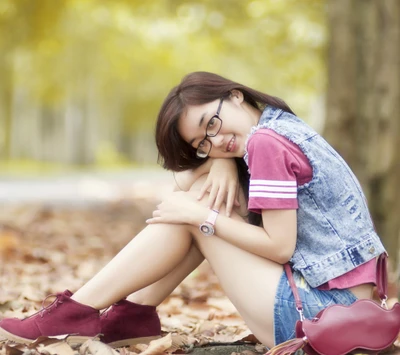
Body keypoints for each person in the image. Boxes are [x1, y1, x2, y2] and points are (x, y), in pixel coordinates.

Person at [0, 72, 386, 349]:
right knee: (199, 198)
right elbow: (185, 180)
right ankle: (126, 314)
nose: (216, 140)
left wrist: (202, 216)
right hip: (344, 310)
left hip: (316, 317)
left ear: (235, 95)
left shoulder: (267, 145)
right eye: (203, 142)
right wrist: (222, 162)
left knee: (197, 209)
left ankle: (76, 311)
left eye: (211, 123)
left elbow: (279, 247)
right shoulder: (281, 128)